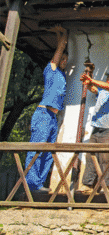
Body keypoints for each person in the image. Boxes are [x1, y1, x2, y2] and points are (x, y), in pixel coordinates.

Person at [25, 26, 68, 192]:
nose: (64, 61)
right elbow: (60, 48)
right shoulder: (51, 70)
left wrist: (61, 36)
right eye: (62, 59)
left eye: (66, 60)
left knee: (49, 153)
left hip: (52, 118)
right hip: (43, 115)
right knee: (36, 149)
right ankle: (31, 184)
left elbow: (63, 48)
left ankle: (39, 184)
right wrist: (61, 34)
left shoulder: (62, 75)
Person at [79, 70, 109, 194]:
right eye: (108, 77)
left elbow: (108, 87)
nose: (108, 79)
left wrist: (91, 80)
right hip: (96, 128)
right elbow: (92, 88)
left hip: (108, 130)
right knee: (90, 157)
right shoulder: (102, 91)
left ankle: (106, 186)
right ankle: (88, 184)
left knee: (105, 159)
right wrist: (87, 82)